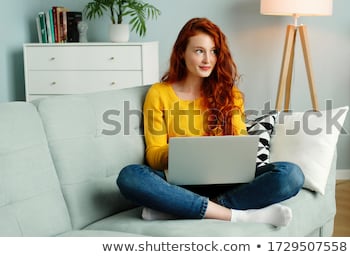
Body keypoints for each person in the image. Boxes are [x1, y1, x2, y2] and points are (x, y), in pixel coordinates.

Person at [116, 17, 304, 227]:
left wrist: (232, 149)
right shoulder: (159, 94)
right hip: (179, 183)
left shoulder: (230, 94)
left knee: (291, 175)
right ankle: (236, 215)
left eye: (213, 51)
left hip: (228, 183)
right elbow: (153, 155)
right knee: (130, 176)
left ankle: (183, 209)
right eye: (199, 51)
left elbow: (241, 142)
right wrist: (182, 151)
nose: (208, 59)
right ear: (182, 52)